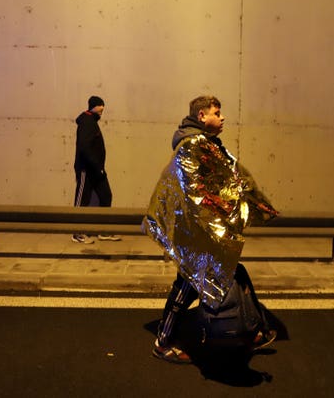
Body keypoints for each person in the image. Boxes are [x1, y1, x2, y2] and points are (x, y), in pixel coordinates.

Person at [142, 95, 278, 364]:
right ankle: (163, 342)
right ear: (202, 116)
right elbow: (198, 191)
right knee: (186, 286)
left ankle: (253, 331)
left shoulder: (204, 144)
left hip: (202, 228)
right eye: (217, 112)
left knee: (233, 274)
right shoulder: (194, 145)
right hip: (196, 231)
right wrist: (241, 206)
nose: (223, 116)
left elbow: (224, 181)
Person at [72, 95, 120, 243]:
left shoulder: (92, 121)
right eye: (100, 107)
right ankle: (77, 233)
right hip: (87, 169)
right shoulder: (87, 122)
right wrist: (95, 165)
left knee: (106, 196)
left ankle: (103, 231)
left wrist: (99, 168)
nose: (102, 110)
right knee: (82, 200)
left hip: (97, 170)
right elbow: (84, 147)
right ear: (93, 106)